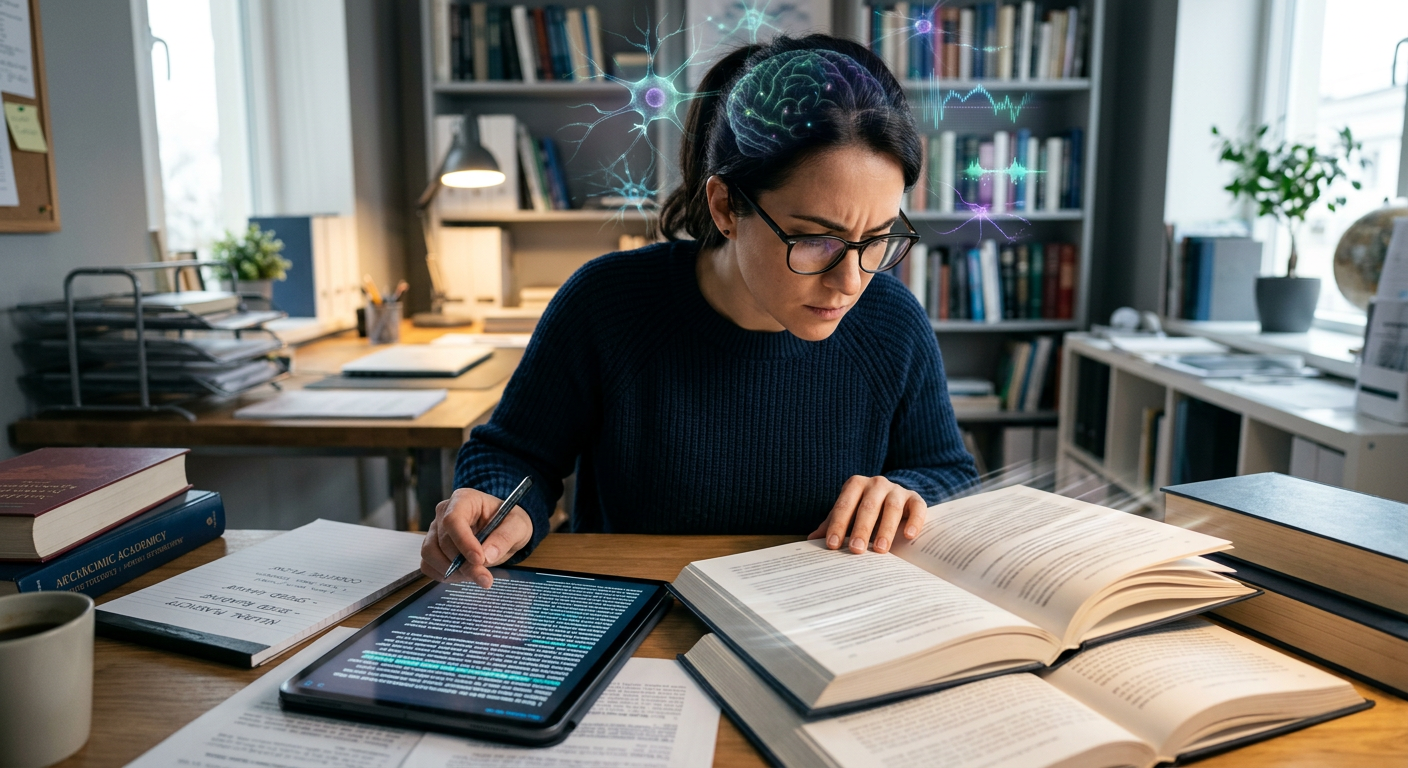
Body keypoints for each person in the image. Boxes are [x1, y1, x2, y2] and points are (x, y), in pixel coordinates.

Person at [420, 34, 979, 589]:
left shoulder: (891, 319)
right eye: (815, 240)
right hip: (638, 620)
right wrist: (499, 503)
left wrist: (907, 491)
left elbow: (947, 471)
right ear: (726, 206)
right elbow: (516, 452)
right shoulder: (608, 304)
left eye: (877, 238)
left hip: (827, 625)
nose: (851, 281)